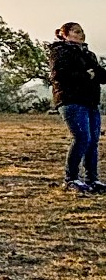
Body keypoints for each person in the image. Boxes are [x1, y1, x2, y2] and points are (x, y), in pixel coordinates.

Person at [48, 22, 106, 195]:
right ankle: (71, 178)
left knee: (93, 141)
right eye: (76, 31)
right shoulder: (60, 52)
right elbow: (60, 75)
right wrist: (86, 75)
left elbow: (102, 75)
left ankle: (92, 179)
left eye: (82, 31)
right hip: (71, 100)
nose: (82, 34)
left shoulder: (89, 54)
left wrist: (93, 74)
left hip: (90, 102)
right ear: (65, 35)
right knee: (82, 138)